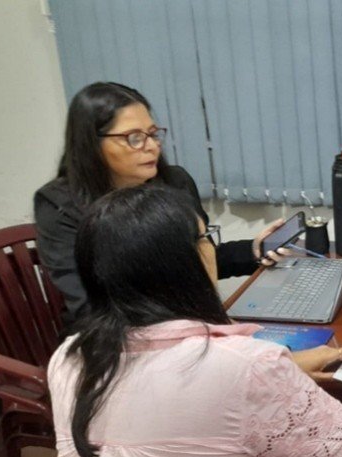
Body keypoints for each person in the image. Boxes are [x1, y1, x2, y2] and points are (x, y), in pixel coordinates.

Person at [48, 185, 342, 457]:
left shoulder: (68, 357)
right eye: (205, 239)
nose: (212, 248)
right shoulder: (244, 368)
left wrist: (290, 367)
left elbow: (174, 405)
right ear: (180, 263)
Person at [34, 82, 286, 329]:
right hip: (114, 338)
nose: (152, 146)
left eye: (153, 134)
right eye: (134, 138)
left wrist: (254, 250)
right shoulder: (59, 204)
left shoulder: (174, 181)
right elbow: (88, 306)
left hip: (189, 327)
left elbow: (196, 262)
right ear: (91, 143)